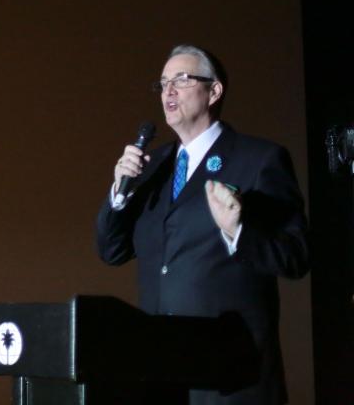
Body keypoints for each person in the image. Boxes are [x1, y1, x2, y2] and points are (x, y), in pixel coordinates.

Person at [96, 44, 309, 405]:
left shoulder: (258, 159)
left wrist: (237, 231)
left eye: (181, 79)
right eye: (163, 83)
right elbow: (112, 250)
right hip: (161, 373)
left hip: (228, 373)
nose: (168, 91)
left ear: (214, 91)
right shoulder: (154, 165)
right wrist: (119, 192)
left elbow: (296, 256)